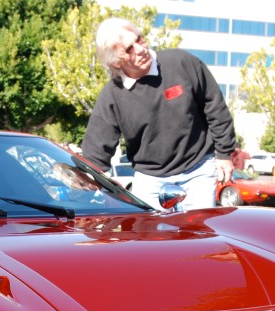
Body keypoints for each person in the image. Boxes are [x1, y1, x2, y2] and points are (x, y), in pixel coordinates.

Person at [81, 18, 236, 210]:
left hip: (199, 169)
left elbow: (215, 107)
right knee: (150, 238)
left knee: (199, 234)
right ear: (115, 62)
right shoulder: (112, 95)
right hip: (150, 179)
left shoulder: (182, 62)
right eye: (130, 49)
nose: (141, 49)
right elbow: (95, 153)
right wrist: (97, 183)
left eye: (140, 40)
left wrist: (224, 154)